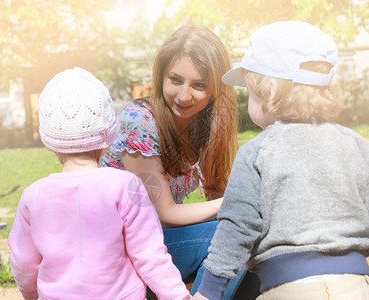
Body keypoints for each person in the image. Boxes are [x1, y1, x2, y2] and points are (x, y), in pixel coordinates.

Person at [193, 21, 369, 300]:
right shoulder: (355, 145)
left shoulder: (258, 151)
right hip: (357, 288)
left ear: (270, 89)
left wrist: (208, 292)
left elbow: (237, 228)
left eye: (250, 92)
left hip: (289, 290)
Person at [101, 24, 259, 298]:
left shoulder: (206, 126)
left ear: (215, 89)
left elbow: (217, 200)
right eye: (175, 80)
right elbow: (166, 213)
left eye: (199, 85)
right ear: (161, 75)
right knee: (223, 241)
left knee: (251, 248)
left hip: (157, 244)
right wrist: (236, 201)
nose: (185, 95)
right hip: (117, 249)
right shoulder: (138, 121)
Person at [8, 67, 191, 300]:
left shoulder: (32, 196)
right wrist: (178, 296)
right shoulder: (126, 186)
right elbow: (150, 255)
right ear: (108, 139)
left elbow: (23, 262)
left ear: (49, 144)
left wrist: (32, 295)